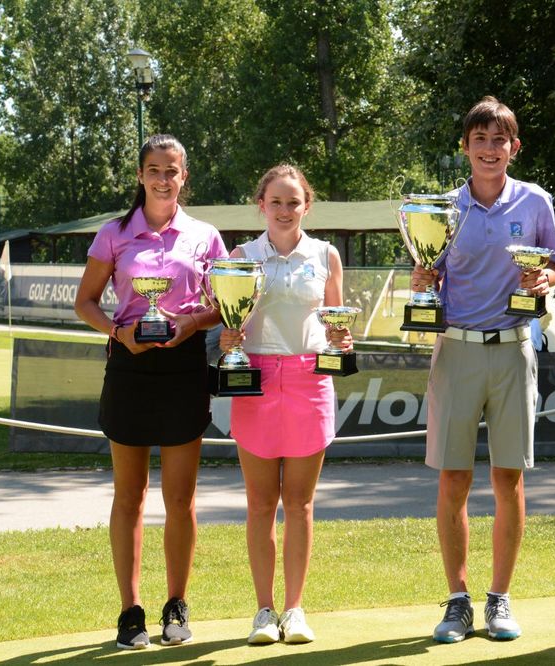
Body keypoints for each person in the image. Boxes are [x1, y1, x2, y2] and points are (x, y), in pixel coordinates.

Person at [412, 96, 555, 643]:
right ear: (466, 147)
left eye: (499, 140)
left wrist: (544, 282)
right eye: (480, 140)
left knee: (509, 478)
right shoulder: (442, 211)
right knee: (454, 478)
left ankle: (499, 599)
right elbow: (426, 270)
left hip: (512, 349)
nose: (489, 149)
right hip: (454, 349)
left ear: (513, 147)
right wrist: (421, 283)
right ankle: (458, 601)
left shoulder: (537, 202)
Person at [74, 134, 227, 650]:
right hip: (130, 367)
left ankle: (176, 605)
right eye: (154, 170)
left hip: (185, 365)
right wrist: (120, 334)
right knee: (129, 496)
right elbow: (86, 302)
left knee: (180, 498)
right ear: (140, 175)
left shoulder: (205, 236)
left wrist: (191, 325)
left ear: (185, 176)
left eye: (173, 170)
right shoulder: (113, 233)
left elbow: (226, 304)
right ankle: (130, 611)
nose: (164, 178)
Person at [218, 164, 350, 646]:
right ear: (261, 205)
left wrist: (343, 339)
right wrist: (228, 336)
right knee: (259, 505)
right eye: (276, 201)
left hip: (309, 381)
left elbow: (336, 323)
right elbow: (231, 318)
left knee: (299, 504)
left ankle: (294, 610)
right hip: (253, 379)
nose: (284, 210)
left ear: (306, 206)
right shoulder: (242, 255)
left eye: (293, 202)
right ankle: (263, 611)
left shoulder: (325, 255)